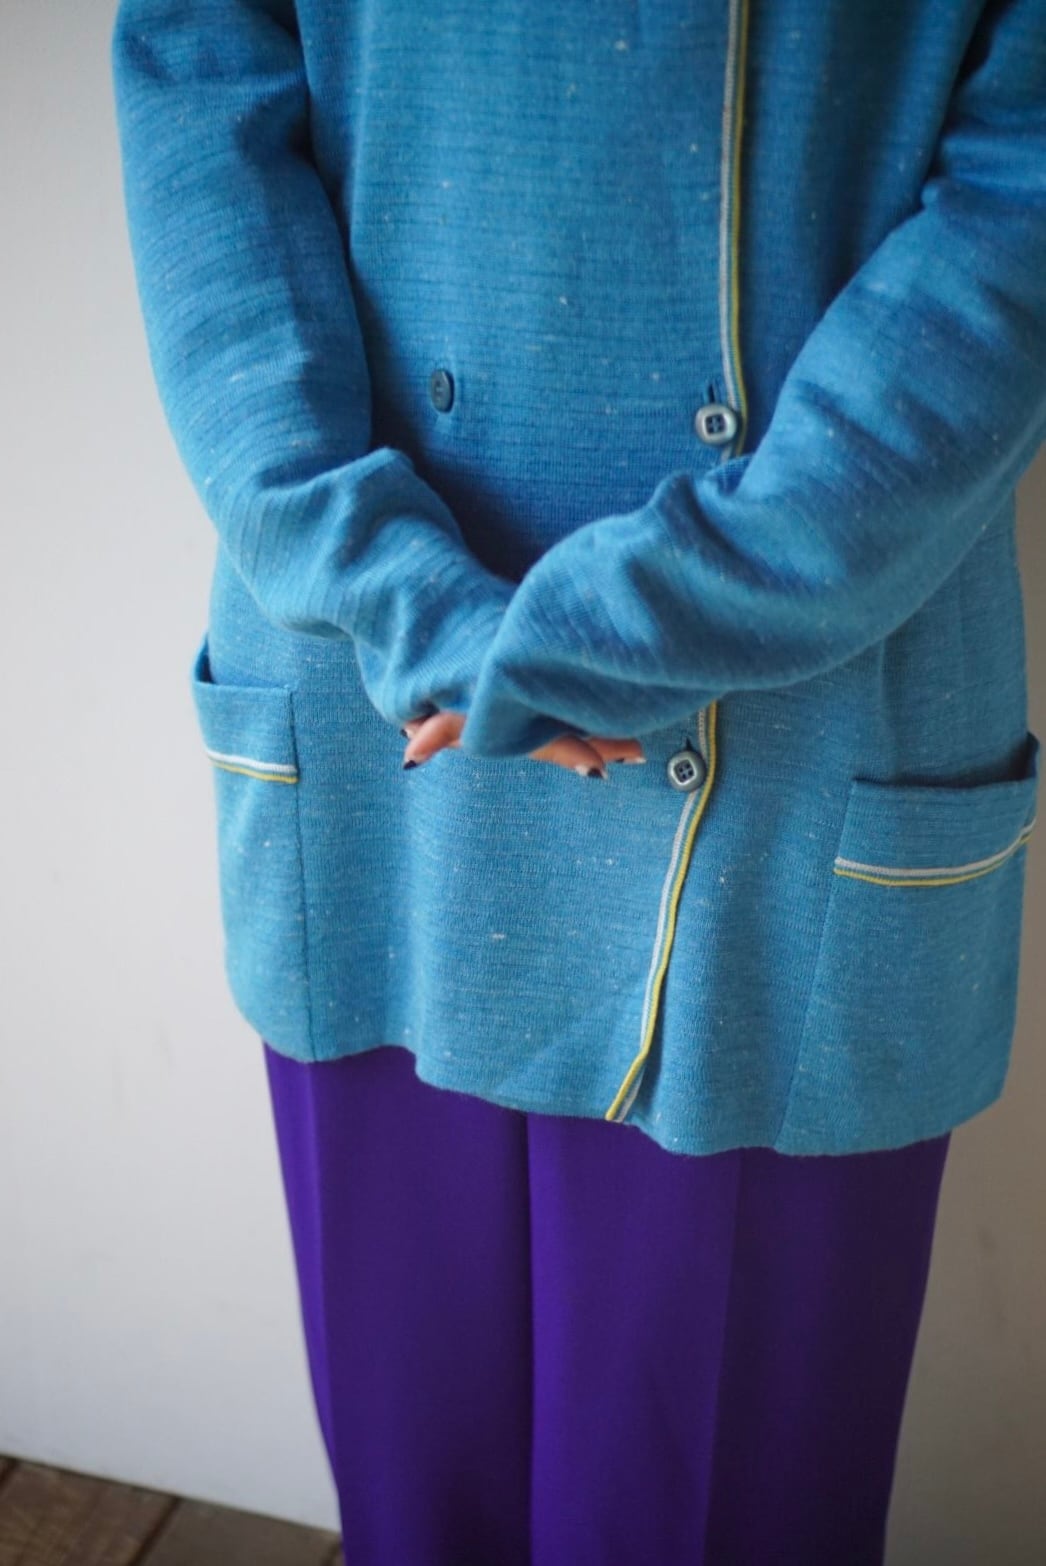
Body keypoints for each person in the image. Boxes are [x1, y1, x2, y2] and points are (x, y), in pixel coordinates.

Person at [109, 1, 1045, 1561]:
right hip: (376, 731)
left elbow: (1019, 202)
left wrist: (662, 613)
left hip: (804, 726)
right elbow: (201, 108)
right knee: (417, 1497)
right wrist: (396, 592)